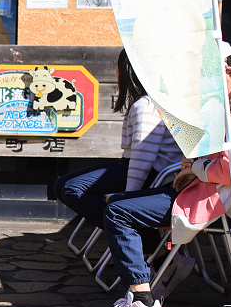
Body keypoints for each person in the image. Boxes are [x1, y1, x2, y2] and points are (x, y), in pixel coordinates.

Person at [99, 45, 231, 307]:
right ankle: (156, 279)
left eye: (209, 88)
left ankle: (143, 300)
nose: (207, 97)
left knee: (118, 210)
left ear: (230, 73)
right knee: (124, 205)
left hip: (213, 198)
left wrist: (193, 168)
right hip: (210, 192)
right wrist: (193, 168)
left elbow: (229, 169)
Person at [53, 50, 183, 223]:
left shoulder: (146, 105)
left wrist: (128, 198)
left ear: (126, 70)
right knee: (62, 185)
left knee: (72, 188)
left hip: (150, 174)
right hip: (135, 167)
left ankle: (139, 235)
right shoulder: (150, 102)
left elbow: (142, 158)